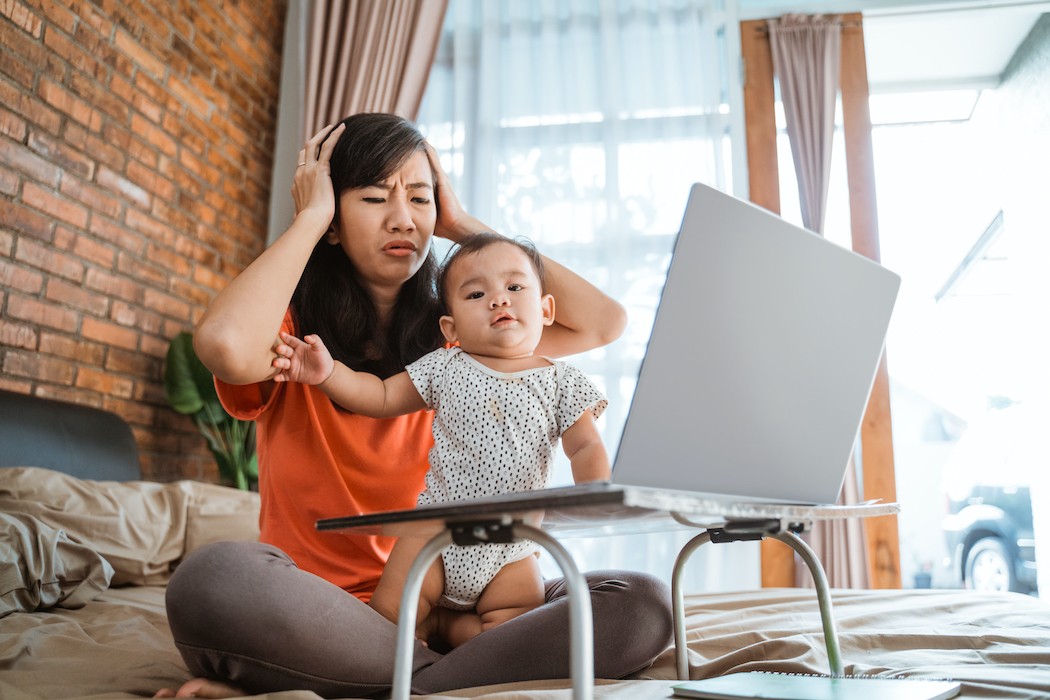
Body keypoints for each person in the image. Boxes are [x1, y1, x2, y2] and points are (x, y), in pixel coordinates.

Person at [157, 113, 673, 699]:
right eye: (375, 197)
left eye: (421, 198)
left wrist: (463, 231)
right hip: (324, 613)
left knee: (643, 605)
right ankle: (437, 675)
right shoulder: (296, 336)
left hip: (462, 597)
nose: (404, 218)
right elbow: (224, 346)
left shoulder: (460, 338)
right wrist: (310, 219)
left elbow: (605, 321)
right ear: (333, 213)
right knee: (214, 579)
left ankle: (398, 682)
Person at [272, 233, 611, 649]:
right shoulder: (446, 365)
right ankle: (398, 646)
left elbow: (586, 447)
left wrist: (596, 494)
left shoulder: (562, 380)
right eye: (476, 294)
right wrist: (328, 374)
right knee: (384, 626)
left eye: (515, 287)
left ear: (545, 310)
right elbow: (378, 397)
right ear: (450, 327)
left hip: (513, 550)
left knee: (509, 639)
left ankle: (446, 632)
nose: (498, 300)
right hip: (433, 536)